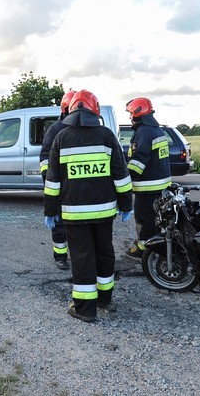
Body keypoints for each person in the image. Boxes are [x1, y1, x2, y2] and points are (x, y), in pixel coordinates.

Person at [43, 90, 132, 322]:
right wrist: (126, 204)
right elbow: (120, 175)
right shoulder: (107, 135)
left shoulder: (61, 138)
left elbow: (52, 181)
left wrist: (50, 210)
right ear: (96, 110)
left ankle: (84, 309)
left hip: (74, 212)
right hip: (105, 211)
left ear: (70, 110)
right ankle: (104, 298)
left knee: (82, 257)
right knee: (104, 252)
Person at [124, 97, 172, 259]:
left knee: (145, 220)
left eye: (131, 114)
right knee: (155, 220)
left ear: (139, 112)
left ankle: (144, 250)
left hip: (148, 188)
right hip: (160, 185)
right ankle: (155, 246)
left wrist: (124, 176)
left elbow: (139, 162)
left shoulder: (144, 131)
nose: (130, 117)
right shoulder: (157, 130)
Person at [39, 89, 76, 270]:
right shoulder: (56, 129)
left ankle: (78, 254)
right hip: (61, 185)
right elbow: (45, 156)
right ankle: (60, 256)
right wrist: (49, 178)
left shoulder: (87, 128)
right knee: (60, 223)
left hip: (80, 185)